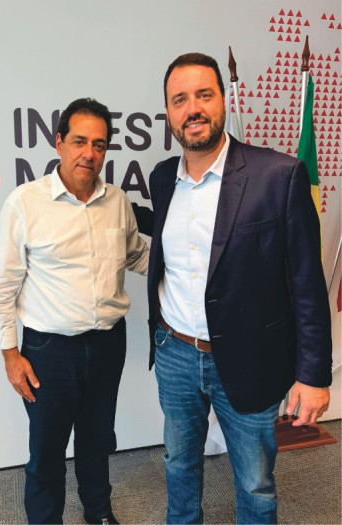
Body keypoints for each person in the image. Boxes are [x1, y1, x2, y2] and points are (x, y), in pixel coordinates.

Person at [135, 53, 332, 524]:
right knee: (179, 465)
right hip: (175, 352)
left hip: (251, 356)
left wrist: (314, 375)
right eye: (180, 100)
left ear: (222, 100)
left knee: (255, 483)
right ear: (169, 113)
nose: (193, 109)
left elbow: (307, 284)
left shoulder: (279, 176)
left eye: (204, 95)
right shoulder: (162, 178)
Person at [0, 98, 149, 525]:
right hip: (49, 351)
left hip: (108, 344)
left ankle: (98, 510)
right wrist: (10, 355)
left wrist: (191, 260)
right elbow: (1, 287)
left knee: (98, 439)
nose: (88, 153)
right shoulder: (25, 203)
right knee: (47, 449)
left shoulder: (117, 201)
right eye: (79, 141)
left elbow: (136, 255)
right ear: (59, 143)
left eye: (99, 144)